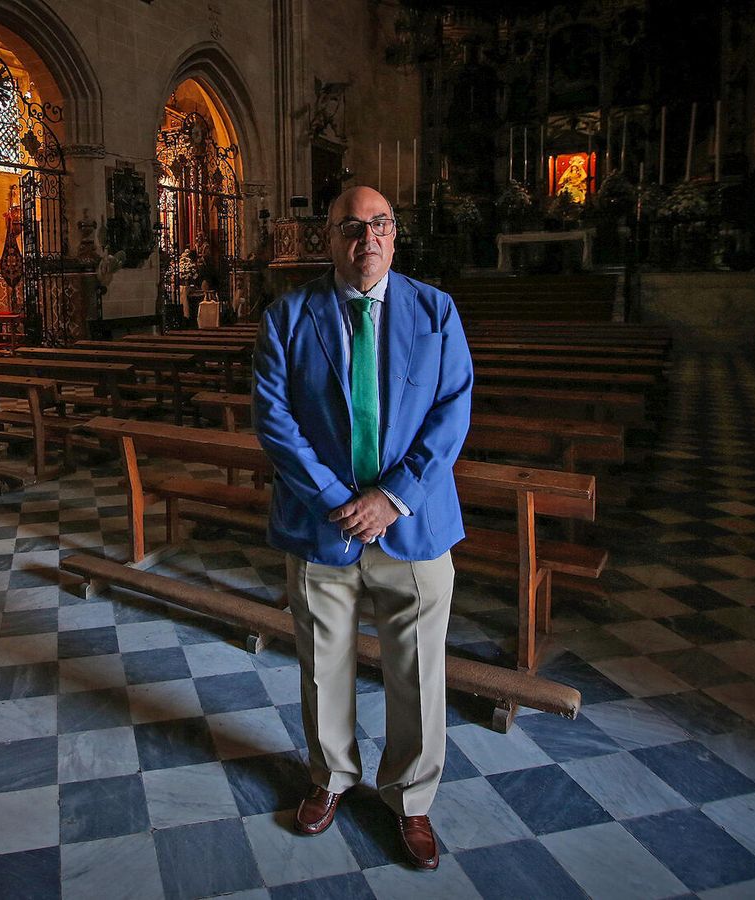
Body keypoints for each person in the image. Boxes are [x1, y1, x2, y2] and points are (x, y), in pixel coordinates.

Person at [251, 185, 473, 870]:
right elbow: (274, 418)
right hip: (323, 525)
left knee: (417, 671)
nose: (367, 238)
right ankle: (331, 776)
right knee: (324, 663)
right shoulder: (289, 315)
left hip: (414, 525)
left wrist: (392, 498)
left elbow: (453, 411)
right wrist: (336, 499)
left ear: (395, 236)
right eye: (352, 226)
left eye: (380, 225)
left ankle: (410, 799)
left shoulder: (435, 312)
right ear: (330, 239)